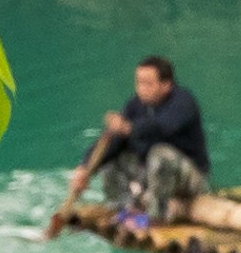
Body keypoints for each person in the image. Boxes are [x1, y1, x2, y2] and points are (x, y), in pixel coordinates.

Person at [52, 55, 211, 231]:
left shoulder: (183, 102)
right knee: (113, 160)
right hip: (153, 178)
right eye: (138, 83)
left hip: (191, 181)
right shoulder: (136, 105)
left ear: (166, 85)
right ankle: (124, 208)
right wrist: (86, 168)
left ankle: (156, 218)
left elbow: (162, 128)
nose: (141, 89)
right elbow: (114, 141)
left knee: (160, 153)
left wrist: (128, 128)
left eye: (147, 84)